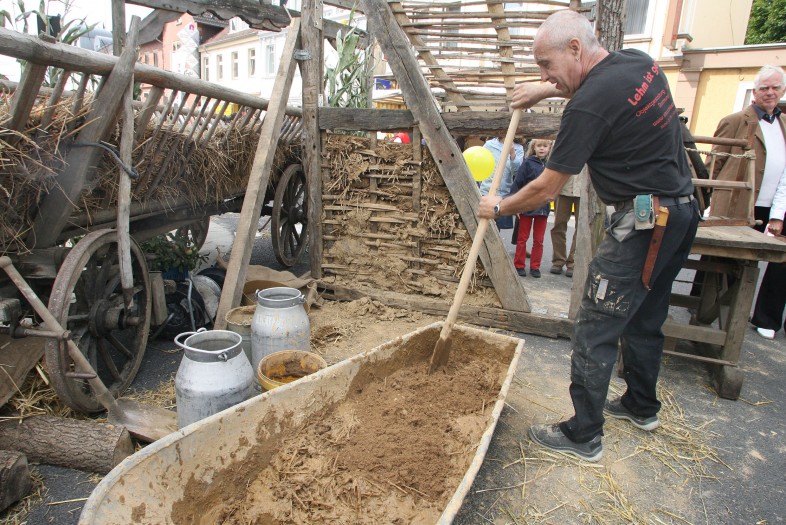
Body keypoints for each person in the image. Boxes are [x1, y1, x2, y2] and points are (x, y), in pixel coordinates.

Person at [479, 10, 700, 462]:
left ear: (575, 48)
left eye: (546, 64)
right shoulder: (639, 63)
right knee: (646, 315)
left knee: (596, 323)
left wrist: (497, 206)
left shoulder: (586, 107)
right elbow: (597, 82)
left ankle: (583, 435)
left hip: (643, 223)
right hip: (680, 212)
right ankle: (641, 406)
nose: (544, 75)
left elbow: (547, 188)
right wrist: (544, 88)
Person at [707, 65, 786, 339]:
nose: (770, 92)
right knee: (720, 260)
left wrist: (778, 213)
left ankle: (740, 318)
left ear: (782, 90)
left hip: (768, 204)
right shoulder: (736, 120)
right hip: (735, 203)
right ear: (755, 91)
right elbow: (714, 165)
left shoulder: (783, 124)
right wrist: (710, 200)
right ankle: (705, 312)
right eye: (764, 88)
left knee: (751, 264)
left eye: (775, 87)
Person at [511, 139, 553, 277]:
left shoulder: (550, 165)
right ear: (534, 147)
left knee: (539, 240)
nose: (542, 148)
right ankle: (519, 265)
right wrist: (516, 205)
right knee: (522, 237)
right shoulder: (528, 163)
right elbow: (518, 183)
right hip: (526, 206)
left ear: (549, 147)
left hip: (543, 207)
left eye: (545, 146)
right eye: (539, 146)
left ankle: (535, 267)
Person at [479, 136, 525, 230]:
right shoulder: (490, 144)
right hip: (487, 190)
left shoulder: (518, 148)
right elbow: (480, 163)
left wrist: (512, 153)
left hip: (503, 193)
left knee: (497, 227)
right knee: (484, 224)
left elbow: (516, 172)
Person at [549, 165, 585, 277]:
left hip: (584, 190)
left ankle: (573, 262)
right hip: (563, 188)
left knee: (581, 228)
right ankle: (558, 260)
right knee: (558, 225)